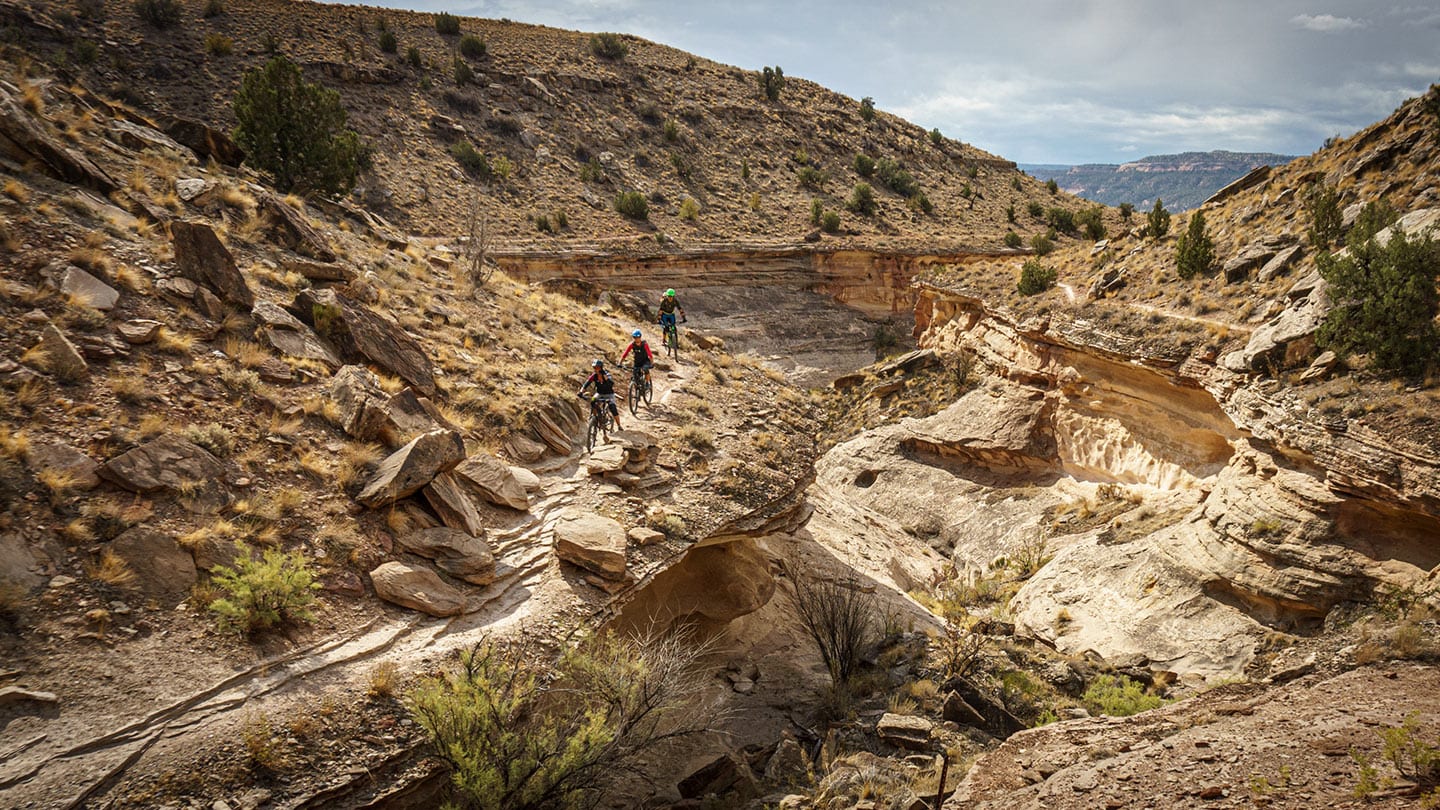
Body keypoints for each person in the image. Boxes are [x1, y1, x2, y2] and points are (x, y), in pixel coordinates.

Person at [577, 358, 622, 430]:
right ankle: (594, 418)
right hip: (599, 393)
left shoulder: (606, 374)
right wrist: (581, 391)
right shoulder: (594, 375)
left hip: (609, 394)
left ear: (601, 368)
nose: (595, 369)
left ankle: (619, 425)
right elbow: (586, 383)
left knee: (613, 408)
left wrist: (605, 378)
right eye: (594, 368)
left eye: (597, 368)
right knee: (593, 401)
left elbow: (611, 384)